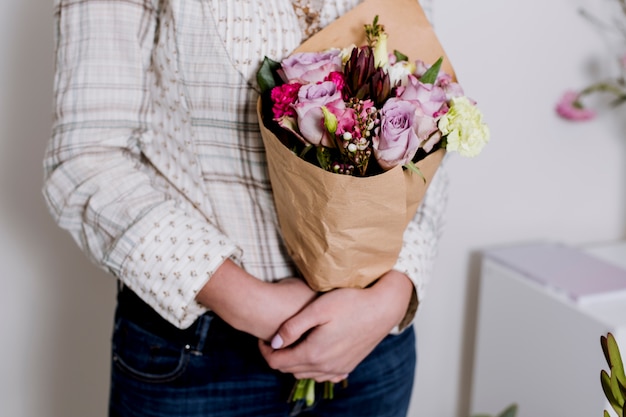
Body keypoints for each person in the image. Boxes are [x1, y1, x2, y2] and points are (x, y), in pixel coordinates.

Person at [42, 0, 448, 416]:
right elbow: (86, 159)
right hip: (200, 355)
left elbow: (439, 118)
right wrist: (252, 303)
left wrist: (396, 293)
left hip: (371, 344)